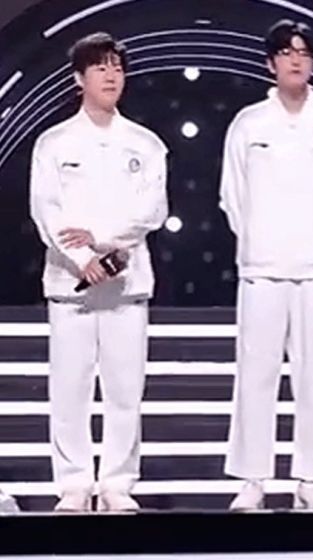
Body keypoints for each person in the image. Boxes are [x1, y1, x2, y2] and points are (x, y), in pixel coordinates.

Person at [219, 19, 313, 511]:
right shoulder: (249, 123)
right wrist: (257, 240)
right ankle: (253, 478)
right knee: (255, 372)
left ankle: (310, 478)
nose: (296, 59)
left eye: (304, 52)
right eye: (287, 52)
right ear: (271, 63)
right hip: (261, 265)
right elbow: (232, 196)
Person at [29, 32, 168, 512]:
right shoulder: (54, 142)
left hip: (127, 283)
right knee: (69, 390)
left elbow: (152, 209)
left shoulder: (145, 143)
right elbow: (47, 210)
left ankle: (116, 484)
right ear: (79, 78)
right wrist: (82, 259)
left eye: (117, 67)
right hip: (71, 285)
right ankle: (73, 484)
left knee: (125, 390)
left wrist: (106, 242)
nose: (111, 75)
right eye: (100, 67)